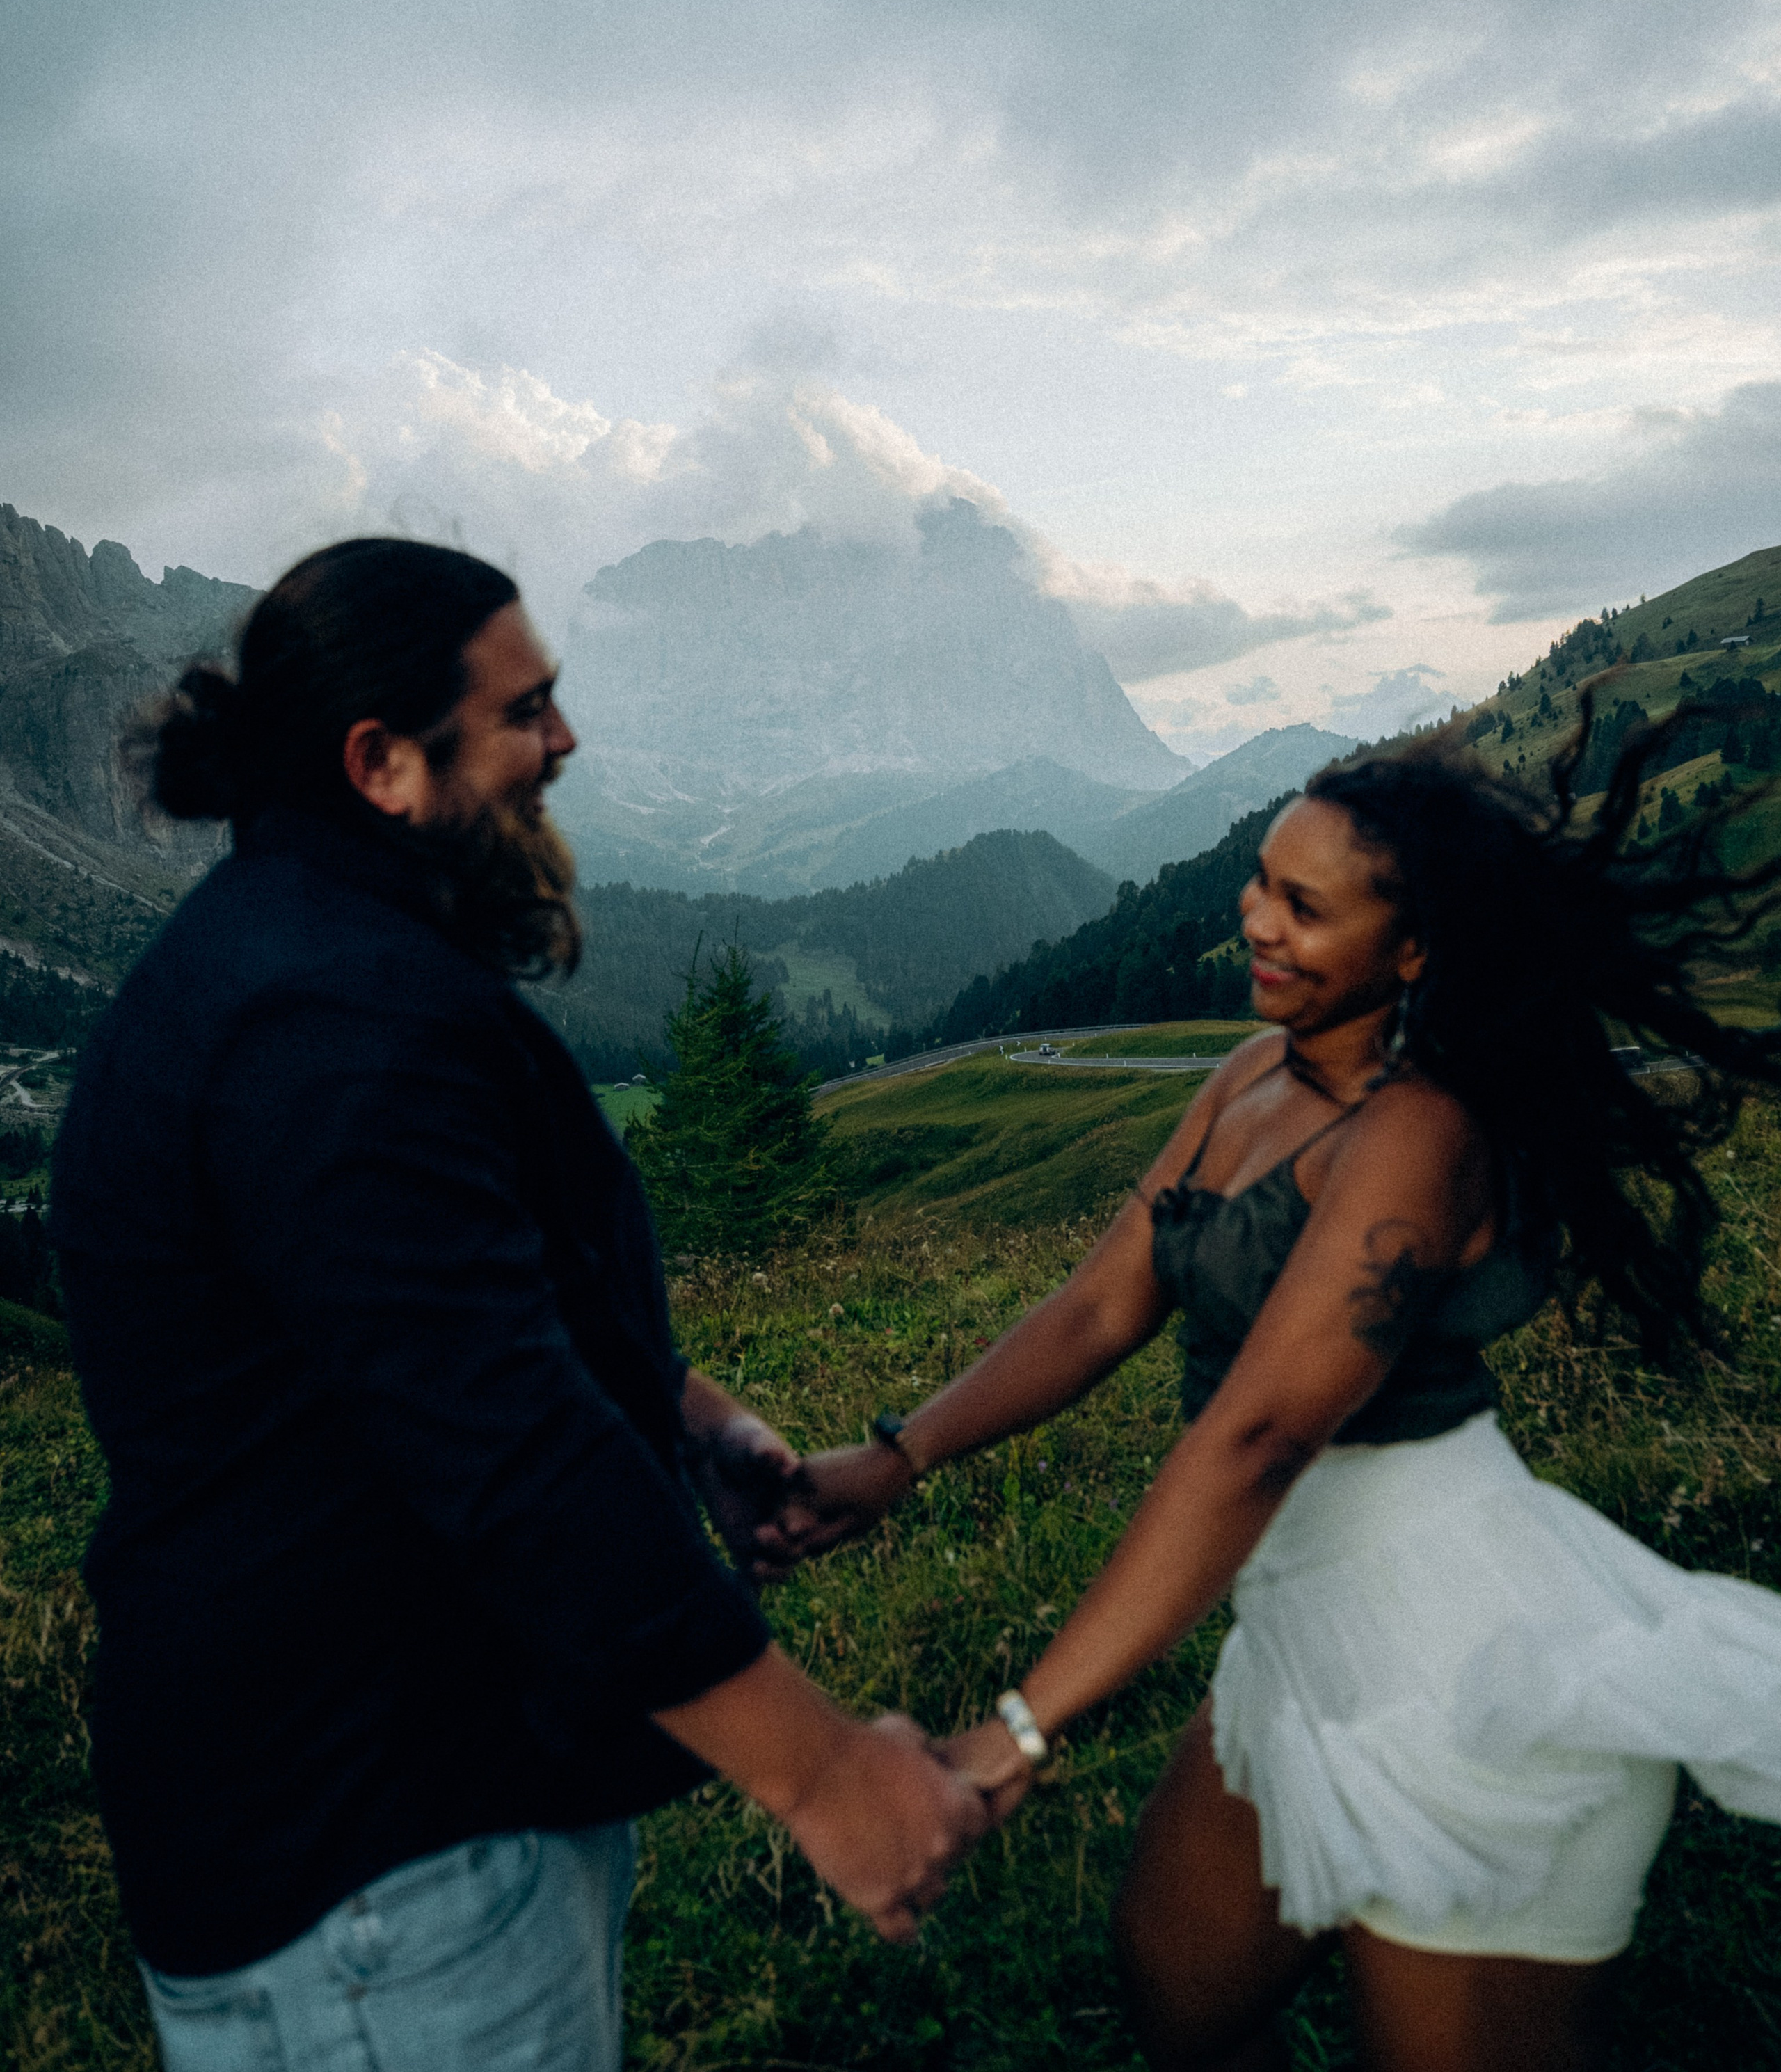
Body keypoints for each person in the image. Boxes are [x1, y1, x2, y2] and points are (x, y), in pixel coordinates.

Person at [51, 539, 985, 2072]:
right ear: (381, 762)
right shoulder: (330, 1025)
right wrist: (825, 1778)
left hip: (383, 1820)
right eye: (523, 709)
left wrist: (689, 1422)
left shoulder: (305, 958)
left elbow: (412, 1323)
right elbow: (506, 1444)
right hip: (380, 1857)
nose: (565, 739)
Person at [764, 722, 1781, 2071]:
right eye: (1258, 879)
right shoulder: (1254, 1074)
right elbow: (1099, 1305)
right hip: (1301, 1628)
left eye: (1304, 906)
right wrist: (899, 1455)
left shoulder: (1420, 1129)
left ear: (1412, 950)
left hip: (1455, 1660)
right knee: (1174, 1986)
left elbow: (1257, 1437)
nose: (1254, 918)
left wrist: (1018, 1729)